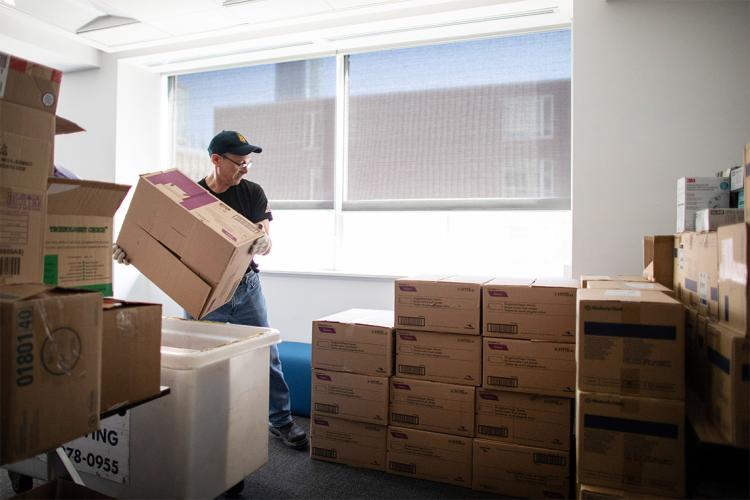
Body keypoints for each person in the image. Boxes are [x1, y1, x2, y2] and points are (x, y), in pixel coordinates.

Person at [113, 130, 308, 450]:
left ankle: (281, 421)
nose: (245, 168)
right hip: (204, 294)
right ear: (216, 160)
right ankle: (201, 423)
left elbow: (265, 236)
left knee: (266, 354)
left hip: (246, 288)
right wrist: (130, 252)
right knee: (202, 361)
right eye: (239, 162)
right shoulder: (191, 198)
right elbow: (161, 241)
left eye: (249, 162)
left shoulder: (252, 193)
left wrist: (265, 241)